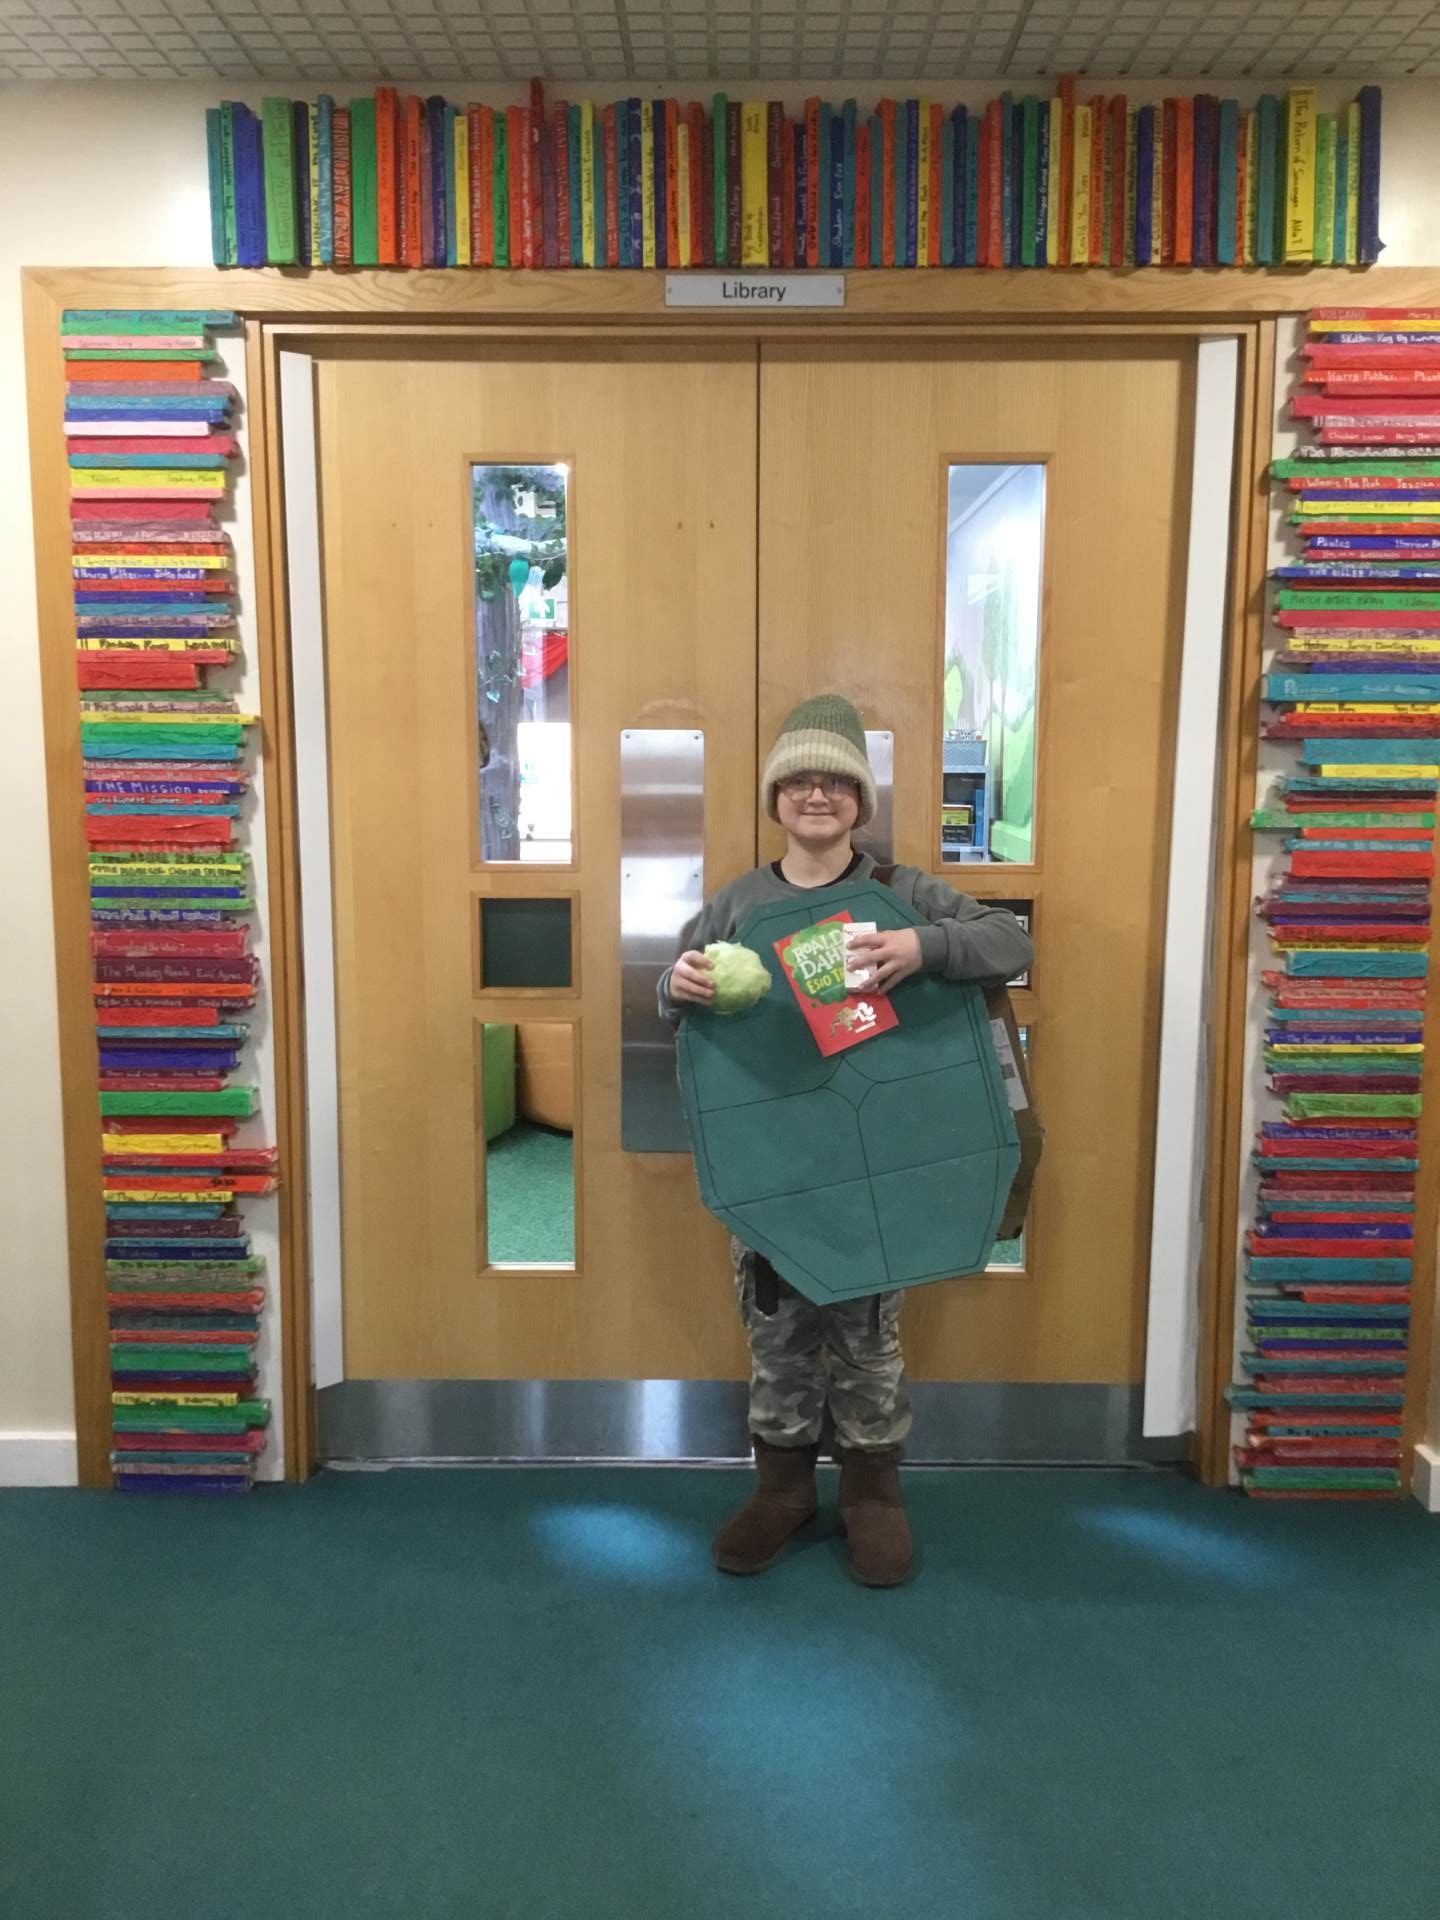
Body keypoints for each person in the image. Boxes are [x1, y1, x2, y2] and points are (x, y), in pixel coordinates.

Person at [659, 694, 1034, 1587]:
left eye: (836, 781)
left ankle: (873, 1495)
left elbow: (1008, 943)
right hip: (777, 1165)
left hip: (879, 1163)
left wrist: (923, 947)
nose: (817, 795)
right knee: (778, 1335)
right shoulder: (740, 902)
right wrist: (676, 985)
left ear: (861, 799)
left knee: (869, 1339)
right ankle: (782, 1489)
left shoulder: (903, 892)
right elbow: (674, 996)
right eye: (799, 780)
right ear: (776, 798)